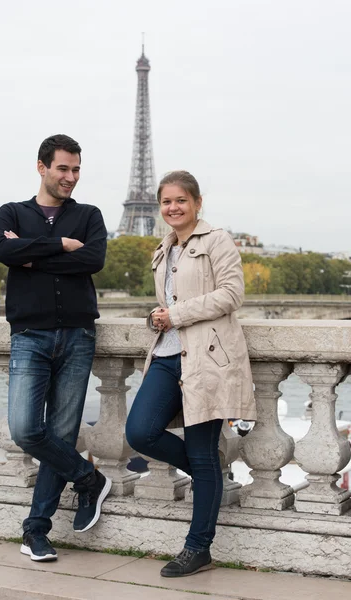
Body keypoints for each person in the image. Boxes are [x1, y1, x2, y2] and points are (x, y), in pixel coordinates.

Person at [126, 170, 256, 578]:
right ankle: (210, 473)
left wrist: (176, 314)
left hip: (207, 359)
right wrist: (158, 316)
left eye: (180, 200)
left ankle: (198, 548)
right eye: (166, 201)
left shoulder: (217, 240)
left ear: (197, 203)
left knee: (200, 455)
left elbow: (233, 293)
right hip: (167, 355)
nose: (172, 208)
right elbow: (168, 303)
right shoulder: (163, 249)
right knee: (140, 432)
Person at [0, 134, 111, 562]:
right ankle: (88, 478)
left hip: (78, 335)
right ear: (42, 167)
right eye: (63, 168)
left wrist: (31, 256)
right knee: (26, 430)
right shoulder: (11, 212)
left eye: (76, 169)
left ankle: (36, 531)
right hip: (30, 335)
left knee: (59, 435)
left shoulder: (90, 215)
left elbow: (93, 261)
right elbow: (3, 251)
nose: (71, 177)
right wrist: (60, 245)